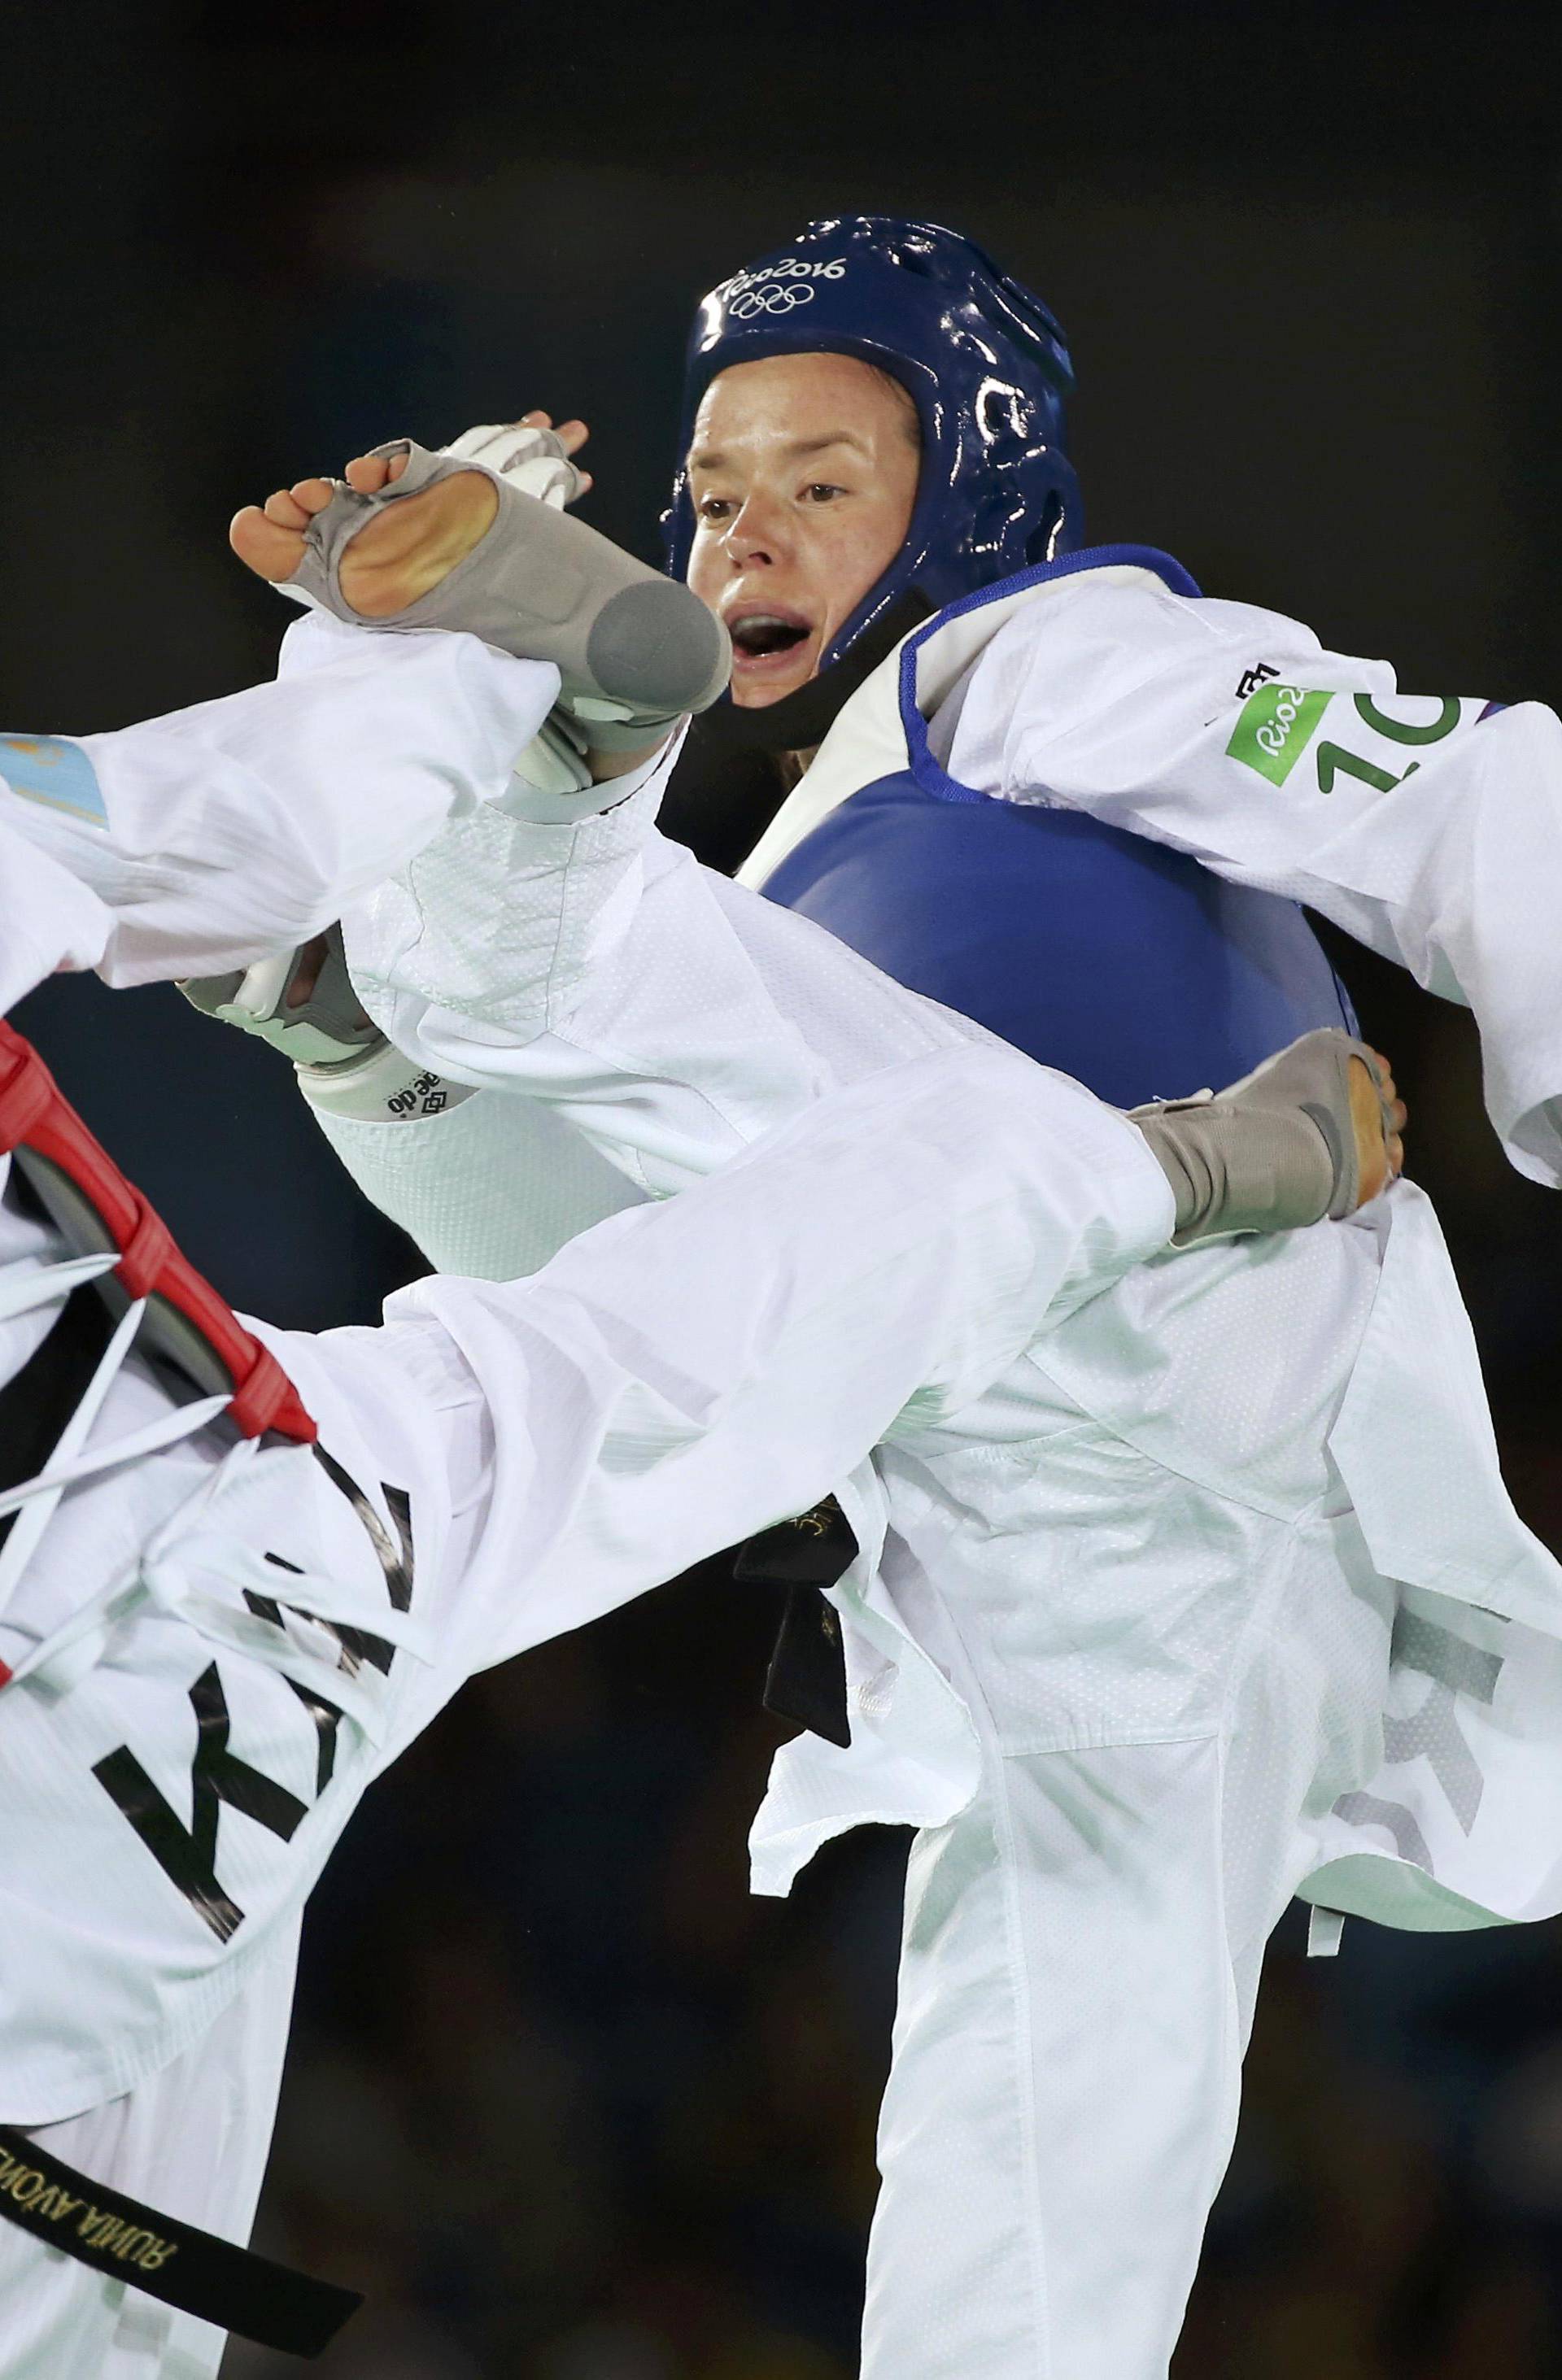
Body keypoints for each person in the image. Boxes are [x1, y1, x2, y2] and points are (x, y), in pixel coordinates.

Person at [207, 436, 1560, 2380]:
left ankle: (520, 730)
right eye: (705, 492)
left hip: (1172, 1319)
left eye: (820, 478)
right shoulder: (809, 875)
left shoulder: (1030, 654)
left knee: (581, 1005)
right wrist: (359, 1055)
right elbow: (617, 1296)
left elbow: (1466, 790)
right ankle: (459, 806)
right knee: (1026, 2225)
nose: (746, 525)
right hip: (1039, 1509)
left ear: (973, 493)